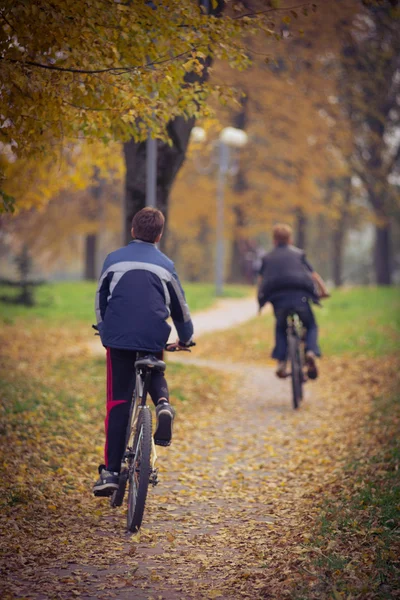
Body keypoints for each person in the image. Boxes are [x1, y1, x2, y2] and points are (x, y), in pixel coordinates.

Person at [93, 207, 194, 497]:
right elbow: (180, 308)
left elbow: (101, 300)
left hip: (119, 338)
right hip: (152, 335)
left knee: (117, 403)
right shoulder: (166, 265)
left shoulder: (113, 261)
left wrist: (105, 330)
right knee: (153, 364)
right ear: (159, 235)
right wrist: (185, 338)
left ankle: (111, 472)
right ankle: (163, 403)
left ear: (132, 230)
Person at [257, 223, 329, 380]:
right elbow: (313, 275)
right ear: (290, 239)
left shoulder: (267, 258)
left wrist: (260, 301)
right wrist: (323, 292)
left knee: (281, 327)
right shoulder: (299, 255)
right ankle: (310, 350)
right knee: (310, 325)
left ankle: (282, 362)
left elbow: (261, 281)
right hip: (301, 297)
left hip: (278, 300)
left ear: (274, 240)